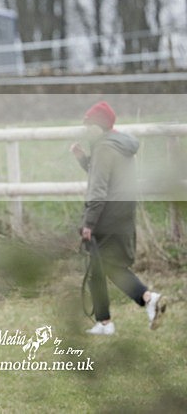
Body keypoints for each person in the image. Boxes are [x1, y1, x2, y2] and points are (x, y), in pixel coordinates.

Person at [70, 101, 166, 334]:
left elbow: (99, 189)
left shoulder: (104, 148)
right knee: (100, 267)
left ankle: (147, 298)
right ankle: (105, 322)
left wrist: (88, 223)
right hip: (123, 214)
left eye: (89, 125)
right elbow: (104, 174)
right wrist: (83, 159)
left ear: (99, 126)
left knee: (106, 266)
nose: (86, 130)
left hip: (106, 215)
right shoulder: (119, 144)